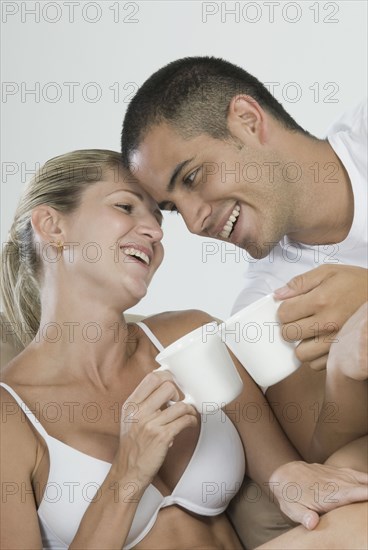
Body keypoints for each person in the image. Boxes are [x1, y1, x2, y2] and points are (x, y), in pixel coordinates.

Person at [1, 149, 367, 549]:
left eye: (158, 219)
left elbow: (284, 472)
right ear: (52, 226)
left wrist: (303, 482)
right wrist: (128, 471)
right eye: (125, 206)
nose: (155, 232)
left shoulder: (191, 335)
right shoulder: (10, 416)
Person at [119, 56, 367, 546]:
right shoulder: (266, 301)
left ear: (248, 121)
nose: (193, 222)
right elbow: (329, 455)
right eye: (172, 208)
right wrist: (343, 366)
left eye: (192, 178)